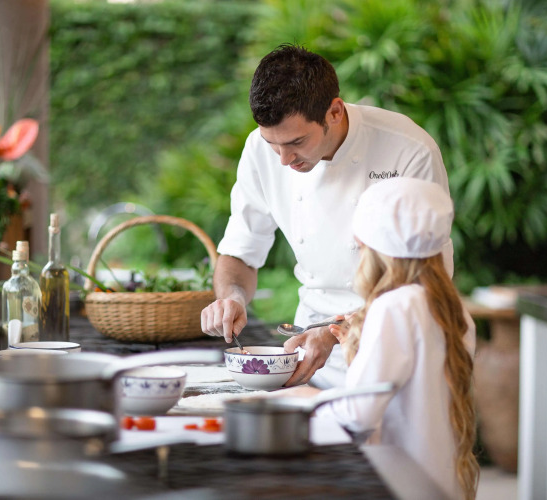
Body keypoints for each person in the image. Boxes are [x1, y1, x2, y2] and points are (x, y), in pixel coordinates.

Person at [200, 43, 453, 388]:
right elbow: (241, 251)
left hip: (398, 347)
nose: (283, 160)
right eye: (273, 144)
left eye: (296, 142)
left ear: (334, 111)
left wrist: (336, 332)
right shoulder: (259, 150)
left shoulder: (409, 150)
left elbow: (423, 281)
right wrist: (232, 297)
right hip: (309, 349)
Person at [279, 177, 479, 500]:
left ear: (369, 248)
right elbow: (415, 393)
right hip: (439, 482)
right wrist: (358, 350)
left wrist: (302, 398)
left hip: (399, 483)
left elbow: (357, 416)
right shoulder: (453, 309)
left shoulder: (394, 306)